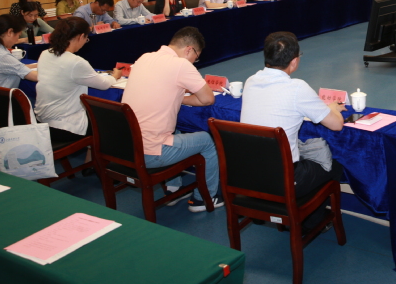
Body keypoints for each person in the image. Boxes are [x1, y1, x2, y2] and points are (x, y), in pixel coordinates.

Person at [241, 32, 344, 230]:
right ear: (294, 61)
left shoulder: (250, 81)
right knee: (334, 165)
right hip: (284, 179)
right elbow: (336, 125)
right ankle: (308, 221)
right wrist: (333, 108)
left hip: (248, 175)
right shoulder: (297, 88)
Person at [122, 27, 223, 212]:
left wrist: (176, 95)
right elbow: (208, 99)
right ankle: (205, 198)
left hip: (126, 145)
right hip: (150, 152)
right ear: (189, 50)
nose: (194, 62)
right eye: (196, 58)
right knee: (208, 141)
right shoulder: (181, 65)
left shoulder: (145, 57)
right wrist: (181, 97)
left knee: (174, 129)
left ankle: (173, 189)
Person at [35, 17, 121, 142]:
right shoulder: (76, 62)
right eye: (86, 38)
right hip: (64, 126)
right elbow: (104, 84)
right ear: (81, 37)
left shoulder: (45, 54)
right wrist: (115, 76)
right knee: (113, 120)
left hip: (41, 121)